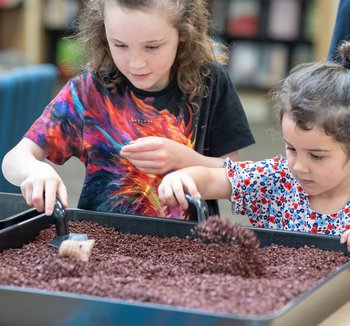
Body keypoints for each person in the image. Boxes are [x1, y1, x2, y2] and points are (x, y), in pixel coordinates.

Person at [1, 0, 255, 219]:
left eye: (153, 46)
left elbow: (232, 177)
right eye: (120, 45)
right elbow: (13, 160)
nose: (136, 63)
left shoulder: (210, 83)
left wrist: (183, 159)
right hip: (104, 245)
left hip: (188, 247)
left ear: (183, 33)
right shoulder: (87, 91)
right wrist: (36, 171)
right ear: (103, 34)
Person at [158, 41, 350, 250]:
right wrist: (181, 179)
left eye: (316, 156)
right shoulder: (277, 178)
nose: (298, 167)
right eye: (292, 149)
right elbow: (214, 180)